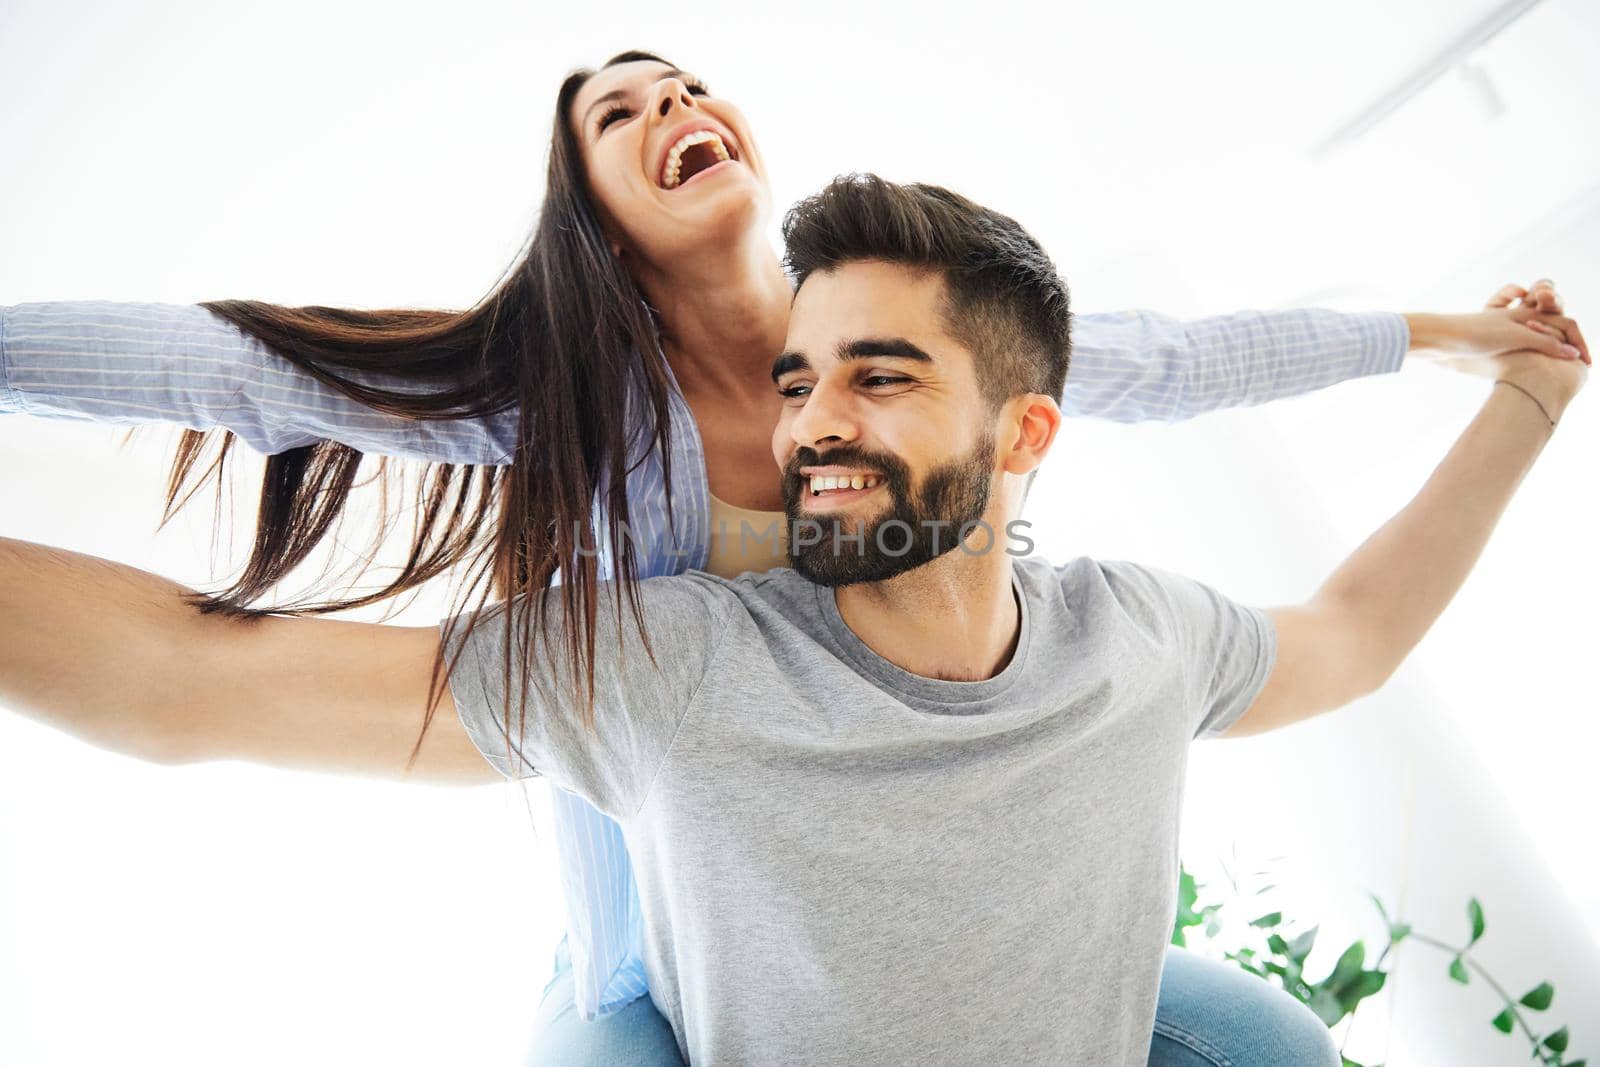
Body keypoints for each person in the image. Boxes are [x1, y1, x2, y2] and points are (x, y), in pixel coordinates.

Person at [0, 50, 1587, 1066]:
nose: (670, 108)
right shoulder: (577, 436)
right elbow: (220, 394)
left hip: (958, 858)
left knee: (1269, 1042)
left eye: (682, 82)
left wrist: (1453, 342)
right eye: (617, 115)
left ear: (1016, 428)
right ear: (593, 215)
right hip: (679, 914)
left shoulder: (1073, 559)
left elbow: (1183, 371)